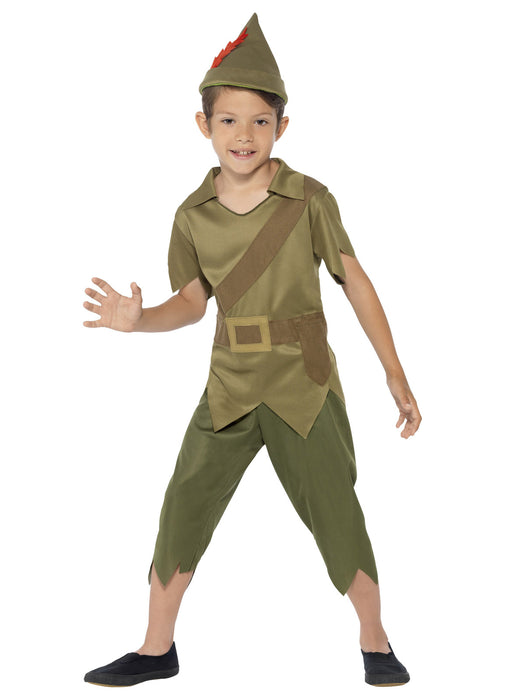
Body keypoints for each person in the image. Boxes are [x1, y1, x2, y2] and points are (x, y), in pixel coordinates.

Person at [82, 13, 421, 688]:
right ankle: (155, 650)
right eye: (229, 120)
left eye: (261, 121)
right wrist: (137, 321)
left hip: (303, 381)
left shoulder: (309, 199)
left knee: (335, 510)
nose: (245, 135)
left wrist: (395, 372)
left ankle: (375, 640)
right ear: (203, 125)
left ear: (282, 128)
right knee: (183, 504)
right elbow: (191, 303)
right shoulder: (191, 216)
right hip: (229, 384)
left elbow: (354, 280)